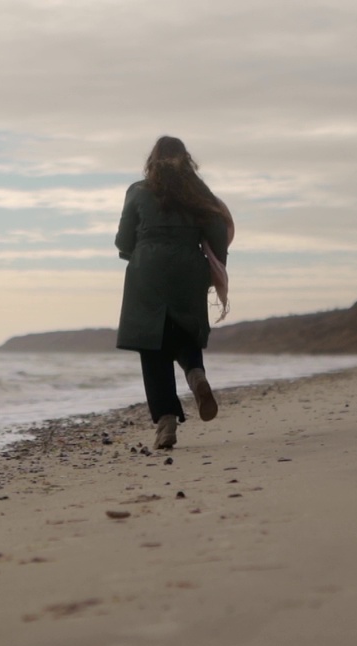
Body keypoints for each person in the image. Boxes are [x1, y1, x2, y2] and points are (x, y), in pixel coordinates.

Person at [115, 136, 232, 450]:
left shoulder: (137, 191)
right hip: (188, 266)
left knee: (151, 345)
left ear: (152, 160)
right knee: (185, 331)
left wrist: (136, 254)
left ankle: (166, 423)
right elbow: (218, 232)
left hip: (147, 268)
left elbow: (124, 240)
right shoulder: (199, 193)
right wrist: (212, 265)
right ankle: (196, 376)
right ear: (187, 160)